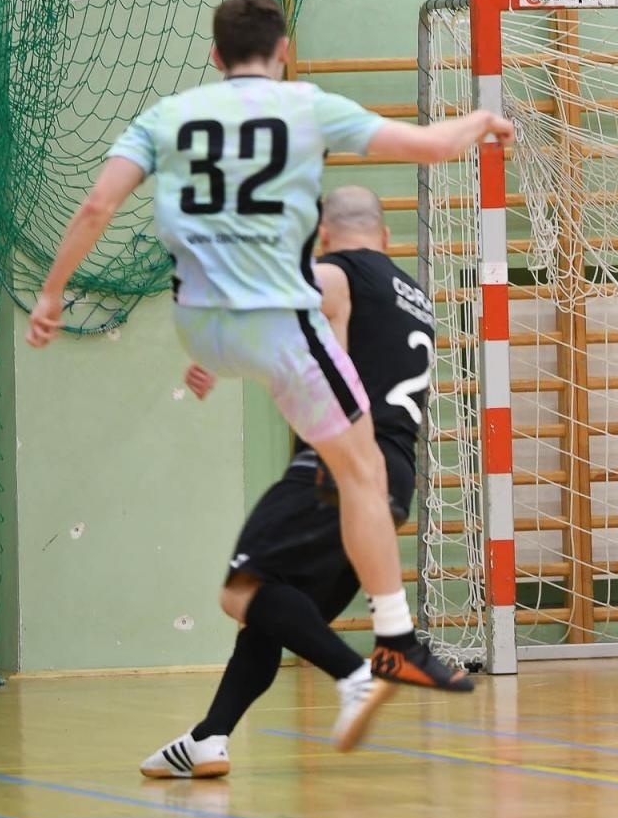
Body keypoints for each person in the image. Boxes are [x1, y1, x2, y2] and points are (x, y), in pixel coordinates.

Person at [25, 0, 510, 763]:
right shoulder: (306, 107)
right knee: (360, 470)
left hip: (201, 326)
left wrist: (52, 294)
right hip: (278, 326)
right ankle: (391, 642)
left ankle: (216, 734)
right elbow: (428, 146)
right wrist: (478, 125)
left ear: (215, 57)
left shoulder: (164, 117)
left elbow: (94, 206)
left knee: (268, 572)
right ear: (283, 51)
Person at [141, 187, 467, 778]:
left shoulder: (340, 274)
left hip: (333, 470)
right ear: (386, 235)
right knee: (271, 611)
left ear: (322, 237)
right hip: (391, 480)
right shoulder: (413, 296)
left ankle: (356, 675)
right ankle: (208, 738)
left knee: (240, 591)